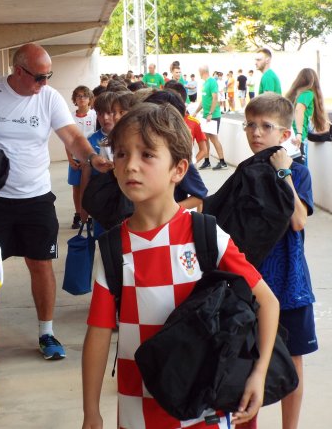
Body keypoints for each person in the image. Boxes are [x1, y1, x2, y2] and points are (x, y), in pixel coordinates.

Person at [81, 102, 279, 429]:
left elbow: (267, 301)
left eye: (147, 155)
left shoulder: (204, 233)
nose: (130, 165)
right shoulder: (112, 248)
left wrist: (258, 375)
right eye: (121, 154)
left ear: (179, 169)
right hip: (138, 408)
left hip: (204, 407)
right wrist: (91, 410)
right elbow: (99, 332)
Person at [0, 43, 112, 361]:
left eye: (48, 76)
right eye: (39, 77)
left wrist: (92, 158)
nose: (45, 84)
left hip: (36, 198)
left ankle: (46, 333)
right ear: (18, 70)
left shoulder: (48, 98)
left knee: (41, 265)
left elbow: (72, 137)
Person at [236, 93, 318, 429]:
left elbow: (298, 220)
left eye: (266, 126)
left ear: (284, 135)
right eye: (250, 125)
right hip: (252, 283)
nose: (256, 132)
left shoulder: (298, 173)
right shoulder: (244, 173)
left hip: (290, 283)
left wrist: (283, 174)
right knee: (246, 361)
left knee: (292, 360)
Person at [79, 91, 120, 236]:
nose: (105, 118)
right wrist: (83, 208)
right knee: (103, 241)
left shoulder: (128, 136)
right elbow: (85, 175)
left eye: (110, 113)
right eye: (100, 114)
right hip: (100, 198)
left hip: (124, 198)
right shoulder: (91, 139)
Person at [285, 68, 330, 166]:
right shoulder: (308, 94)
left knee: (292, 170)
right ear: (314, 81)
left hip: (289, 137)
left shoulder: (294, 95)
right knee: (302, 171)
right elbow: (299, 109)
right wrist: (300, 133)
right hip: (298, 139)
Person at [67, 86, 97, 228]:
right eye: (78, 96)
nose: (81, 98)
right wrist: (70, 159)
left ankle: (90, 215)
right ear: (74, 99)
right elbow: (67, 139)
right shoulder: (70, 117)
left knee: (90, 187)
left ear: (90, 99)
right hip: (76, 159)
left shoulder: (95, 116)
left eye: (85, 96)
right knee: (77, 188)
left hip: (91, 159)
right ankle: (78, 215)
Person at [195, 65, 227, 170]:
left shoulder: (212, 82)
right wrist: (195, 112)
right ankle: (207, 161)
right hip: (205, 116)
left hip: (213, 116)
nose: (198, 73)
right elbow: (203, 101)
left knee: (214, 139)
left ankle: (222, 162)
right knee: (205, 139)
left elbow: (215, 98)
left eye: (199, 71)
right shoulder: (205, 84)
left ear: (202, 71)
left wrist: (210, 113)